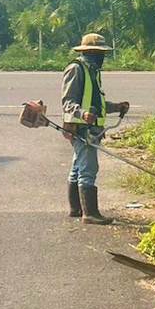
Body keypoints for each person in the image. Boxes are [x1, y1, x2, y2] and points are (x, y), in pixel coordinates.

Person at [61, 33, 129, 224]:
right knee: (88, 169)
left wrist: (116, 107)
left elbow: (96, 103)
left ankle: (76, 209)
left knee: (78, 167)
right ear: (88, 52)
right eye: (97, 53)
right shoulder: (76, 69)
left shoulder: (93, 72)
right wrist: (82, 114)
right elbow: (68, 102)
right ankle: (89, 213)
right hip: (82, 128)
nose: (101, 58)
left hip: (91, 128)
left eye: (102, 54)